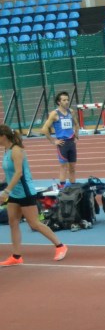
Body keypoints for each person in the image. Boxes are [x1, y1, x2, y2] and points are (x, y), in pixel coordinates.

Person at [0, 124, 68, 266]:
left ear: (3, 136)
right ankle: (16, 256)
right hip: (14, 193)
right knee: (13, 222)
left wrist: (6, 191)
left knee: (34, 223)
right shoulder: (7, 150)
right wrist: (4, 186)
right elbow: (9, 173)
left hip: (25, 192)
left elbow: (19, 173)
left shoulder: (17, 150)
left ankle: (60, 246)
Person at [40, 91, 79, 188]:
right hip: (62, 143)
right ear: (59, 102)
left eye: (67, 100)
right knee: (63, 167)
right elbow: (44, 129)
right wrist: (53, 141)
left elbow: (76, 124)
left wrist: (76, 135)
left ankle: (73, 188)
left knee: (72, 167)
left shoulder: (71, 112)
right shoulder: (54, 114)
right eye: (64, 100)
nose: (67, 102)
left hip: (71, 142)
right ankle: (62, 188)